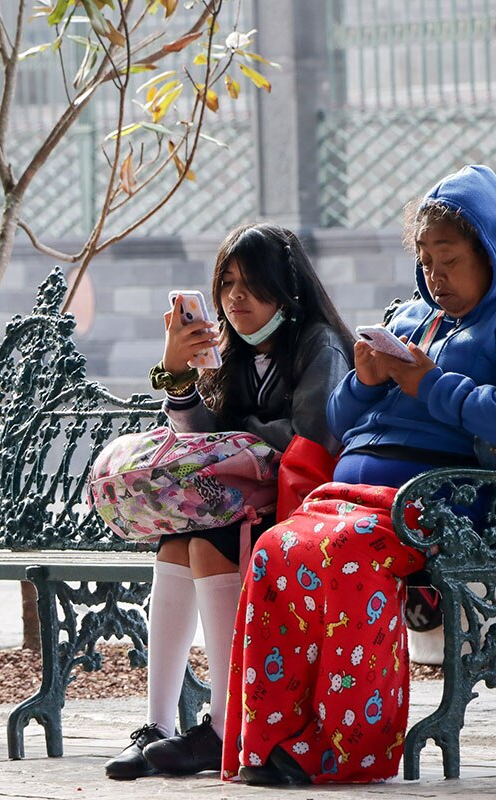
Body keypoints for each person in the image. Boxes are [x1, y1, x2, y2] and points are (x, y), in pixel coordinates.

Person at [223, 165, 496, 785]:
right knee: (277, 551)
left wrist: (429, 383)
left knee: (344, 555)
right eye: (427, 261)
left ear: (491, 253)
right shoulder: (411, 319)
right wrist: (365, 382)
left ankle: (349, 747)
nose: (436, 277)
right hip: (358, 495)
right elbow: (334, 421)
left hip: (451, 501)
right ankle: (277, 738)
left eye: (451, 260)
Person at [104, 223, 355, 780]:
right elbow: (201, 439)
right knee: (175, 539)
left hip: (303, 507)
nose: (235, 298)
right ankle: (157, 724)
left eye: (251, 284)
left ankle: (226, 725)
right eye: (226, 283)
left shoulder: (319, 344)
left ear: (286, 290)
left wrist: (237, 434)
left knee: (209, 538)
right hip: (242, 498)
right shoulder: (234, 351)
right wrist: (177, 376)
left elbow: (312, 435)